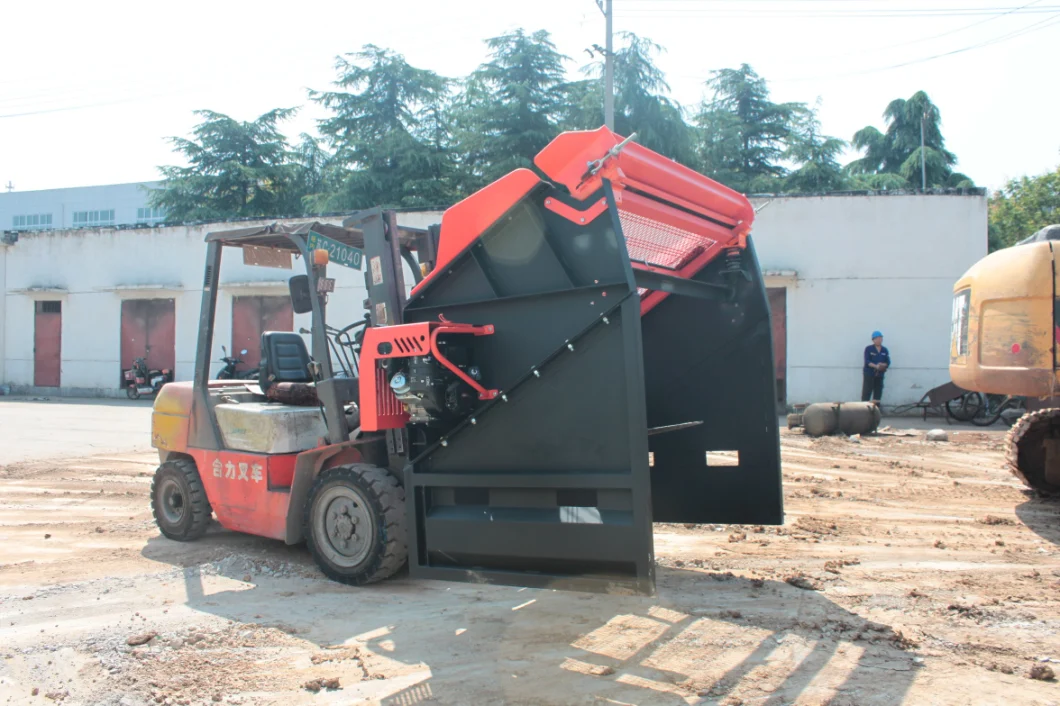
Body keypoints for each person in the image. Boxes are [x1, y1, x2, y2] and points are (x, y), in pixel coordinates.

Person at [862, 331, 890, 404]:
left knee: (878, 392)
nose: (879, 340)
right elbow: (867, 361)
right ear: (873, 340)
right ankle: (864, 410)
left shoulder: (884, 350)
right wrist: (876, 366)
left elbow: (888, 362)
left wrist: (882, 365)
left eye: (880, 338)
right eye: (877, 338)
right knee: (867, 392)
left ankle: (876, 410)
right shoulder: (869, 349)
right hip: (869, 374)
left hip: (879, 375)